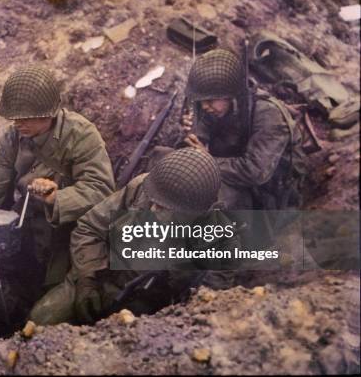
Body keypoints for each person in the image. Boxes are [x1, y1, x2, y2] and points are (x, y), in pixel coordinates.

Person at [0, 65, 116, 299]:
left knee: (55, 300)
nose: (17, 123)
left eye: (25, 117)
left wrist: (57, 198)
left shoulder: (81, 135)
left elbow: (101, 190)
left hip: (69, 233)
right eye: (14, 117)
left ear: (48, 113)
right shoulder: (14, 137)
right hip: (25, 226)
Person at [29, 148, 240, 325]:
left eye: (165, 207)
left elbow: (205, 308)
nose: (154, 207)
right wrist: (87, 280)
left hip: (152, 309)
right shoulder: (144, 187)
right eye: (154, 200)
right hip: (100, 276)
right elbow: (89, 227)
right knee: (40, 319)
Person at [178, 48, 307, 210]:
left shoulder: (269, 115)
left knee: (209, 202)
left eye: (210, 100)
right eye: (202, 101)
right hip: (232, 170)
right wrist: (191, 141)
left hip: (267, 191)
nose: (205, 106)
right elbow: (198, 135)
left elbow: (255, 172)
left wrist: (206, 161)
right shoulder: (217, 105)